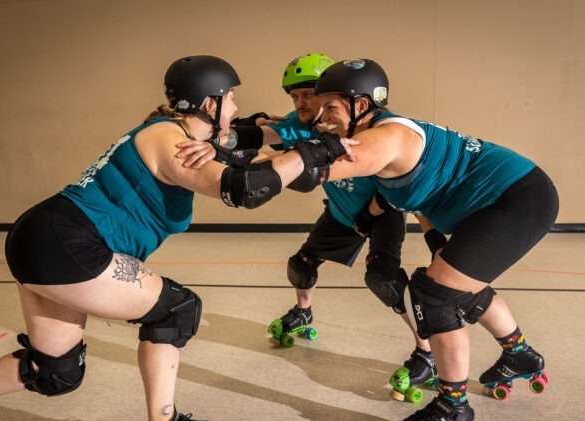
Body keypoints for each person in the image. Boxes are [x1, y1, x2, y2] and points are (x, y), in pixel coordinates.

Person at [0, 55, 350, 421]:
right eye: (231, 97)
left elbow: (240, 158)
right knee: (178, 309)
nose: (236, 107)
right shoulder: (170, 141)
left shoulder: (179, 136)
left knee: (55, 371)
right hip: (68, 242)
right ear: (208, 103)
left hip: (44, 237)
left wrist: (293, 147)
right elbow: (243, 190)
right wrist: (315, 150)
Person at [278, 58, 559, 421]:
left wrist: (237, 166)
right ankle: (520, 354)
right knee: (457, 282)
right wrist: (432, 242)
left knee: (434, 294)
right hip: (507, 198)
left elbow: (309, 171)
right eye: (319, 108)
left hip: (515, 200)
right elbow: (418, 197)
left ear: (361, 106)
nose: (322, 118)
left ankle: (453, 406)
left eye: (331, 108)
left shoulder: (382, 139)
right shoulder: (383, 133)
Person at [177, 54, 438, 390]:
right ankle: (303, 313)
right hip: (342, 212)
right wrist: (205, 138)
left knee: (383, 280)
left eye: (307, 95)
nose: (299, 103)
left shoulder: (364, 128)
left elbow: (397, 180)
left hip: (381, 209)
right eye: (293, 96)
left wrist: (368, 214)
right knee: (300, 266)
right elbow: (252, 138)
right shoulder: (296, 124)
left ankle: (427, 351)